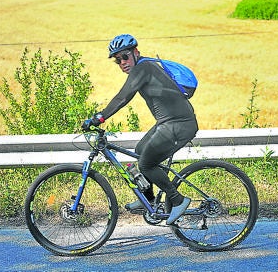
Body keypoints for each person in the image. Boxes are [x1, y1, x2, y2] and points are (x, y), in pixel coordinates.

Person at [81, 34, 198, 225]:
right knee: (140, 151)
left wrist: (99, 117)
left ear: (136, 52)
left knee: (146, 164)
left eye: (125, 57)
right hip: (169, 123)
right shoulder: (144, 67)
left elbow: (123, 97)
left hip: (179, 124)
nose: (122, 63)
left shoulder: (143, 67)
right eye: (118, 60)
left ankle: (178, 200)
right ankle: (149, 199)